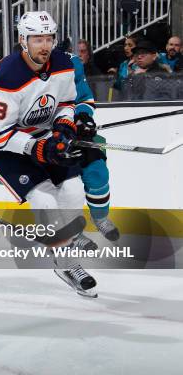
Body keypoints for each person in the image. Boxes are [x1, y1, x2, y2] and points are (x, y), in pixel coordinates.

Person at [0, 11, 97, 297]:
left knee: (73, 191)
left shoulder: (64, 64)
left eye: (49, 38)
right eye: (37, 39)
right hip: (4, 145)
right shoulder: (4, 77)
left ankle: (67, 235)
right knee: (43, 198)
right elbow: (1, 135)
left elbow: (67, 102)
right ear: (22, 41)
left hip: (41, 134)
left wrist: (66, 128)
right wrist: (40, 147)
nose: (45, 45)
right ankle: (66, 263)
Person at [69, 53, 120, 241]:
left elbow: (84, 97)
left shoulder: (70, 61)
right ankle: (71, 233)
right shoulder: (20, 70)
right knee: (65, 187)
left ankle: (100, 218)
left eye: (49, 38)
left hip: (73, 132)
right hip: (45, 138)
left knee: (97, 172)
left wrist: (83, 117)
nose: (45, 44)